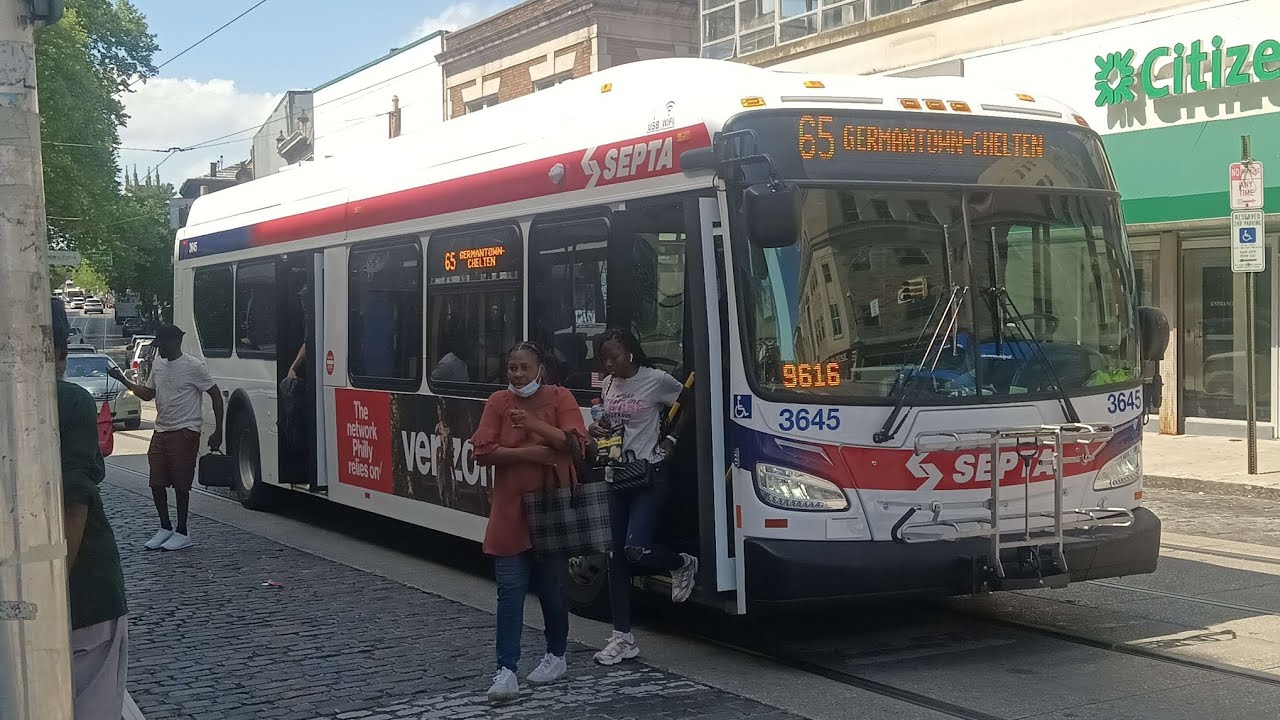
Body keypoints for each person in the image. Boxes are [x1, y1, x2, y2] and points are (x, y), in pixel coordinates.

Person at [470, 341, 586, 703]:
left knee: (552, 590)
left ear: (540, 369)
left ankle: (556, 655)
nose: (518, 375)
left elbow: (575, 443)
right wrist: (533, 453)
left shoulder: (560, 397)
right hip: (509, 511)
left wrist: (533, 424)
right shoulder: (497, 403)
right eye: (512, 368)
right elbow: (482, 450)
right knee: (510, 591)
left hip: (550, 509)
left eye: (524, 368)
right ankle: (506, 669)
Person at [591, 327, 698, 666]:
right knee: (615, 558)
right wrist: (600, 426)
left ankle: (682, 562)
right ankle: (622, 637)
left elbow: (689, 402)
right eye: (604, 358)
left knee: (636, 549)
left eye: (614, 357)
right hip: (616, 473)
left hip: (649, 473)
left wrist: (671, 442)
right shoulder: (608, 383)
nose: (609, 364)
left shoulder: (656, 379)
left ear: (631, 352)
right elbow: (612, 418)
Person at [52, 298, 130, 719]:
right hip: (81, 598)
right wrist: (50, 597)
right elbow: (74, 504)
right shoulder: (68, 402)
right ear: (60, 350)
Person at [110, 324, 224, 551]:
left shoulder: (194, 366)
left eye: (162, 345)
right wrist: (123, 380)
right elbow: (149, 394)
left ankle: (182, 531)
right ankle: (165, 526)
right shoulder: (159, 365)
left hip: (185, 430)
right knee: (156, 482)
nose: (159, 349)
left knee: (182, 485)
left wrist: (218, 430)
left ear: (176, 343)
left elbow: (215, 394)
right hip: (161, 430)